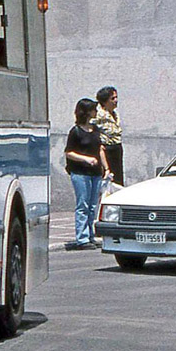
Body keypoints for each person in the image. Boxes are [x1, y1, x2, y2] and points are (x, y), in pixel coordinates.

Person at [65, 97, 109, 250]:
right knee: (82, 204)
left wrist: (106, 168)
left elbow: (100, 149)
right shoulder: (75, 131)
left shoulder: (95, 129)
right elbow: (69, 152)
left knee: (92, 206)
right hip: (80, 172)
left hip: (95, 172)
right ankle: (82, 238)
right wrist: (86, 159)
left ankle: (90, 235)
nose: (96, 112)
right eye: (93, 109)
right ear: (86, 111)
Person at [93, 86, 123, 187]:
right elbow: (90, 127)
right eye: (112, 98)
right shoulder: (99, 115)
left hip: (117, 147)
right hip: (107, 148)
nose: (116, 100)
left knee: (118, 179)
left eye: (116, 97)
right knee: (107, 180)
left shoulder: (115, 114)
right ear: (105, 101)